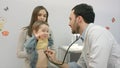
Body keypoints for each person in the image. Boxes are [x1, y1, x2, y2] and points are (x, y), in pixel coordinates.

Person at [45, 3, 120, 68]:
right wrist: (55, 61)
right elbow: (78, 66)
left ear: (79, 19)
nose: (69, 23)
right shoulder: (87, 37)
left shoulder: (98, 34)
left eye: (70, 19)